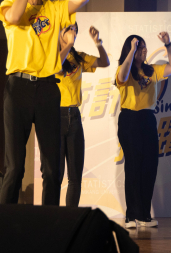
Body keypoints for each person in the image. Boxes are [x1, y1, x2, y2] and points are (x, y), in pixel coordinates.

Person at [0, 0, 89, 205]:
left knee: (52, 169)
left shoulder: (54, 8)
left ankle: (48, 224)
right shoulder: (10, 2)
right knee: (15, 167)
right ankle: (3, 224)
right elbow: (14, 17)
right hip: (18, 88)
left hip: (48, 89)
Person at [116, 32, 171, 228]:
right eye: (139, 47)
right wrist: (132, 50)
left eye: (144, 46)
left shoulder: (152, 70)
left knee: (149, 166)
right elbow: (122, 76)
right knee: (133, 166)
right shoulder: (124, 69)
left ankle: (144, 215)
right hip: (129, 119)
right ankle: (131, 215)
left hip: (148, 119)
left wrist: (168, 44)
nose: (144, 50)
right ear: (131, 50)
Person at [56, 23, 110, 206]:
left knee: (75, 176)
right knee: (55, 174)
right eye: (70, 29)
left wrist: (98, 43)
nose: (74, 33)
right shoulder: (52, 55)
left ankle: (71, 217)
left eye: (76, 30)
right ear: (60, 32)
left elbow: (104, 62)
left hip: (74, 116)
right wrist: (68, 45)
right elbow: (56, 67)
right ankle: (51, 216)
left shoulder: (78, 57)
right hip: (56, 116)